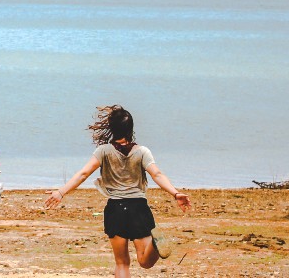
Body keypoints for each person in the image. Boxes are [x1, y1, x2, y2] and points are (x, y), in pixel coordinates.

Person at [45, 105, 191, 278]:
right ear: (131, 128)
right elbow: (157, 174)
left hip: (115, 209)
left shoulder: (103, 151)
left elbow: (83, 174)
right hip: (139, 208)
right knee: (145, 261)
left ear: (111, 128)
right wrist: (175, 193)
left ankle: (156, 243)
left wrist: (61, 192)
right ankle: (155, 244)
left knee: (122, 263)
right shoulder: (142, 152)